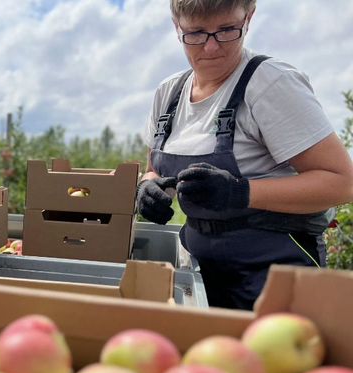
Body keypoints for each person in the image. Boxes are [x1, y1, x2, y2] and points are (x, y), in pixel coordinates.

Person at [137, 0, 353, 310]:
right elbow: (154, 169)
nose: (211, 48)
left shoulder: (270, 84)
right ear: (176, 25)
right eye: (196, 33)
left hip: (273, 277)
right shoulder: (168, 94)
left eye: (226, 30)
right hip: (199, 274)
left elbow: (341, 182)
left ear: (248, 17)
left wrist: (240, 192)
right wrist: (149, 186)